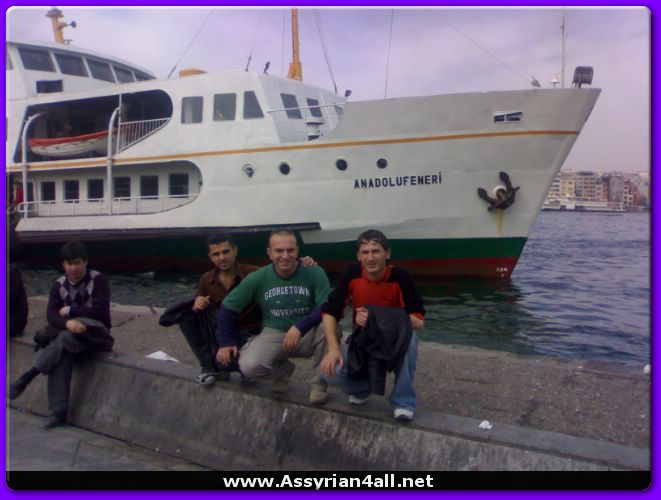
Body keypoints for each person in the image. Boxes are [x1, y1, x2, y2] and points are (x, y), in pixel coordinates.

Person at [215, 229, 339, 403]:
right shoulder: (258, 277)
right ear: (269, 253)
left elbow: (327, 307)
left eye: (290, 250)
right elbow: (228, 308)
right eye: (279, 251)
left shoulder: (314, 272)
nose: (285, 256)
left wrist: (300, 326)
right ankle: (283, 371)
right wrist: (225, 342)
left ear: (297, 250)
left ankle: (319, 383)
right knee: (249, 366)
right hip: (275, 332)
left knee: (331, 327)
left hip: (308, 333)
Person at [320, 229, 425, 421]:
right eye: (365, 252)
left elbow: (418, 321)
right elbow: (330, 312)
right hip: (363, 340)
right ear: (358, 256)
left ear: (387, 253)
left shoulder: (400, 277)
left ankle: (403, 401)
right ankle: (362, 388)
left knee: (410, 341)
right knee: (328, 371)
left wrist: (376, 317)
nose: (370, 258)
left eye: (376, 251)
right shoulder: (352, 274)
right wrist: (333, 349)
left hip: (394, 339)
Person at [8, 241, 114, 429]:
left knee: (62, 339)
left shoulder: (98, 281)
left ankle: (29, 375)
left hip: (95, 336)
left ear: (85, 262)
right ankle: (58, 411)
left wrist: (71, 311)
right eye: (69, 264)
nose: (73, 268)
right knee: (63, 349)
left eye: (77, 263)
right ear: (63, 265)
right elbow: (51, 316)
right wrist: (68, 323)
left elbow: (102, 315)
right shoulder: (59, 286)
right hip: (71, 337)